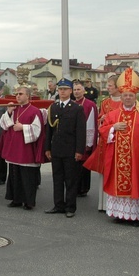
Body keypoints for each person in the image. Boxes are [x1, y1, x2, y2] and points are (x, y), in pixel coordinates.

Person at [86, 69, 139, 225]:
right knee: (118, 183)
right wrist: (113, 127)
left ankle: (136, 216)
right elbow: (103, 130)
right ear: (121, 97)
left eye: (131, 95)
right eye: (125, 96)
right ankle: (120, 214)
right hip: (118, 159)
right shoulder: (113, 114)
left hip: (137, 159)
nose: (128, 98)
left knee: (137, 183)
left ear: (136, 97)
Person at [0, 86, 46, 210]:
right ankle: (16, 199)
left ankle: (28, 202)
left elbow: (37, 130)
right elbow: (4, 125)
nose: (18, 96)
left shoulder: (35, 111)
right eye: (16, 94)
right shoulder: (14, 109)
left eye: (21, 94)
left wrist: (23, 127)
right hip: (14, 148)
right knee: (14, 174)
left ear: (28, 96)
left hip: (26, 149)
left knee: (27, 176)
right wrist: (8, 112)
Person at [44, 79, 86, 218]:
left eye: (65, 89)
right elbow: (49, 130)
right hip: (56, 149)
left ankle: (70, 207)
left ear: (70, 91)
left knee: (71, 180)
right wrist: (47, 148)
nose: (62, 92)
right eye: (60, 89)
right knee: (57, 178)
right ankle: (58, 205)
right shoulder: (53, 107)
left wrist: (79, 151)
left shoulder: (77, 108)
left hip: (70, 149)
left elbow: (81, 131)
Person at [72, 80, 98, 197]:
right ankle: (74, 187)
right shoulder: (72, 103)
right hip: (73, 139)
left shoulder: (89, 104)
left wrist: (88, 143)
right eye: (75, 90)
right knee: (74, 165)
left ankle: (83, 188)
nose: (76, 92)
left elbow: (91, 123)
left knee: (84, 165)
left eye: (78, 89)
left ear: (84, 91)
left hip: (85, 139)